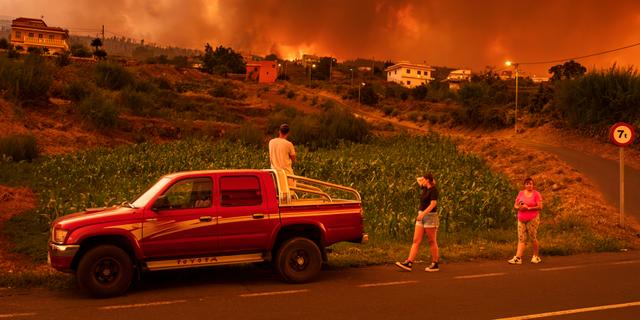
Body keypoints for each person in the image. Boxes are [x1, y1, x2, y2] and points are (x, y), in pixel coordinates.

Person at [395, 173, 440, 272]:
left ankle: (435, 263)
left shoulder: (433, 190)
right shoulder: (424, 188)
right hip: (421, 216)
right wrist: (424, 179)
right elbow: (418, 179)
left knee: (432, 240)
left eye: (424, 179)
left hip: (430, 217)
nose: (422, 180)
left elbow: (433, 204)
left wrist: (423, 214)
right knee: (416, 240)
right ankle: (409, 262)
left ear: (428, 180)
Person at [508, 177, 543, 264]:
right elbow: (515, 205)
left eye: (530, 183)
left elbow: (540, 206)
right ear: (524, 185)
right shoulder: (520, 193)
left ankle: (536, 256)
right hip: (521, 219)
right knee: (521, 238)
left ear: (533, 185)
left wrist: (529, 208)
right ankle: (518, 258)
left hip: (532, 219)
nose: (529, 185)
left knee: (532, 237)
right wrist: (520, 207)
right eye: (527, 183)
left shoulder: (536, 194)